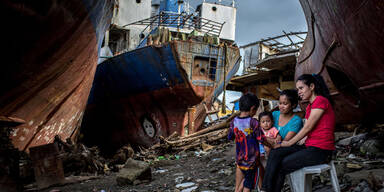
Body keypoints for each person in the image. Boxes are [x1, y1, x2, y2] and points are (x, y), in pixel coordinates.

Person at [261, 74, 335, 192]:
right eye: (298, 89)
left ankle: (267, 189)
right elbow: (306, 133)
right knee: (276, 152)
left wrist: (289, 143)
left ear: (311, 86)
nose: (299, 92)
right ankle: (265, 188)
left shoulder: (321, 101)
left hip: (321, 150)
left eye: (301, 88)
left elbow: (307, 128)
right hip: (309, 147)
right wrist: (288, 145)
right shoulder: (310, 107)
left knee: (282, 164)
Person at [228, 93, 274, 192]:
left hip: (240, 160)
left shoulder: (234, 121)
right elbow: (262, 139)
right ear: (253, 108)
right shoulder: (254, 122)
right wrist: (272, 146)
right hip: (252, 162)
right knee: (248, 186)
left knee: (241, 185)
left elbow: (230, 136)